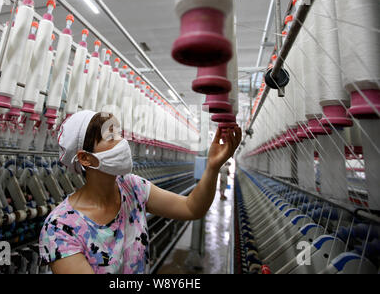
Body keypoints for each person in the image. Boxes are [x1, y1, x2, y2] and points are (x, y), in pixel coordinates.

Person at [39, 111, 242, 274]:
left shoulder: (132, 187)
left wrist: (213, 167)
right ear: (85, 158)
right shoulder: (60, 228)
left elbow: (191, 208)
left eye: (120, 134)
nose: (123, 142)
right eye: (111, 136)